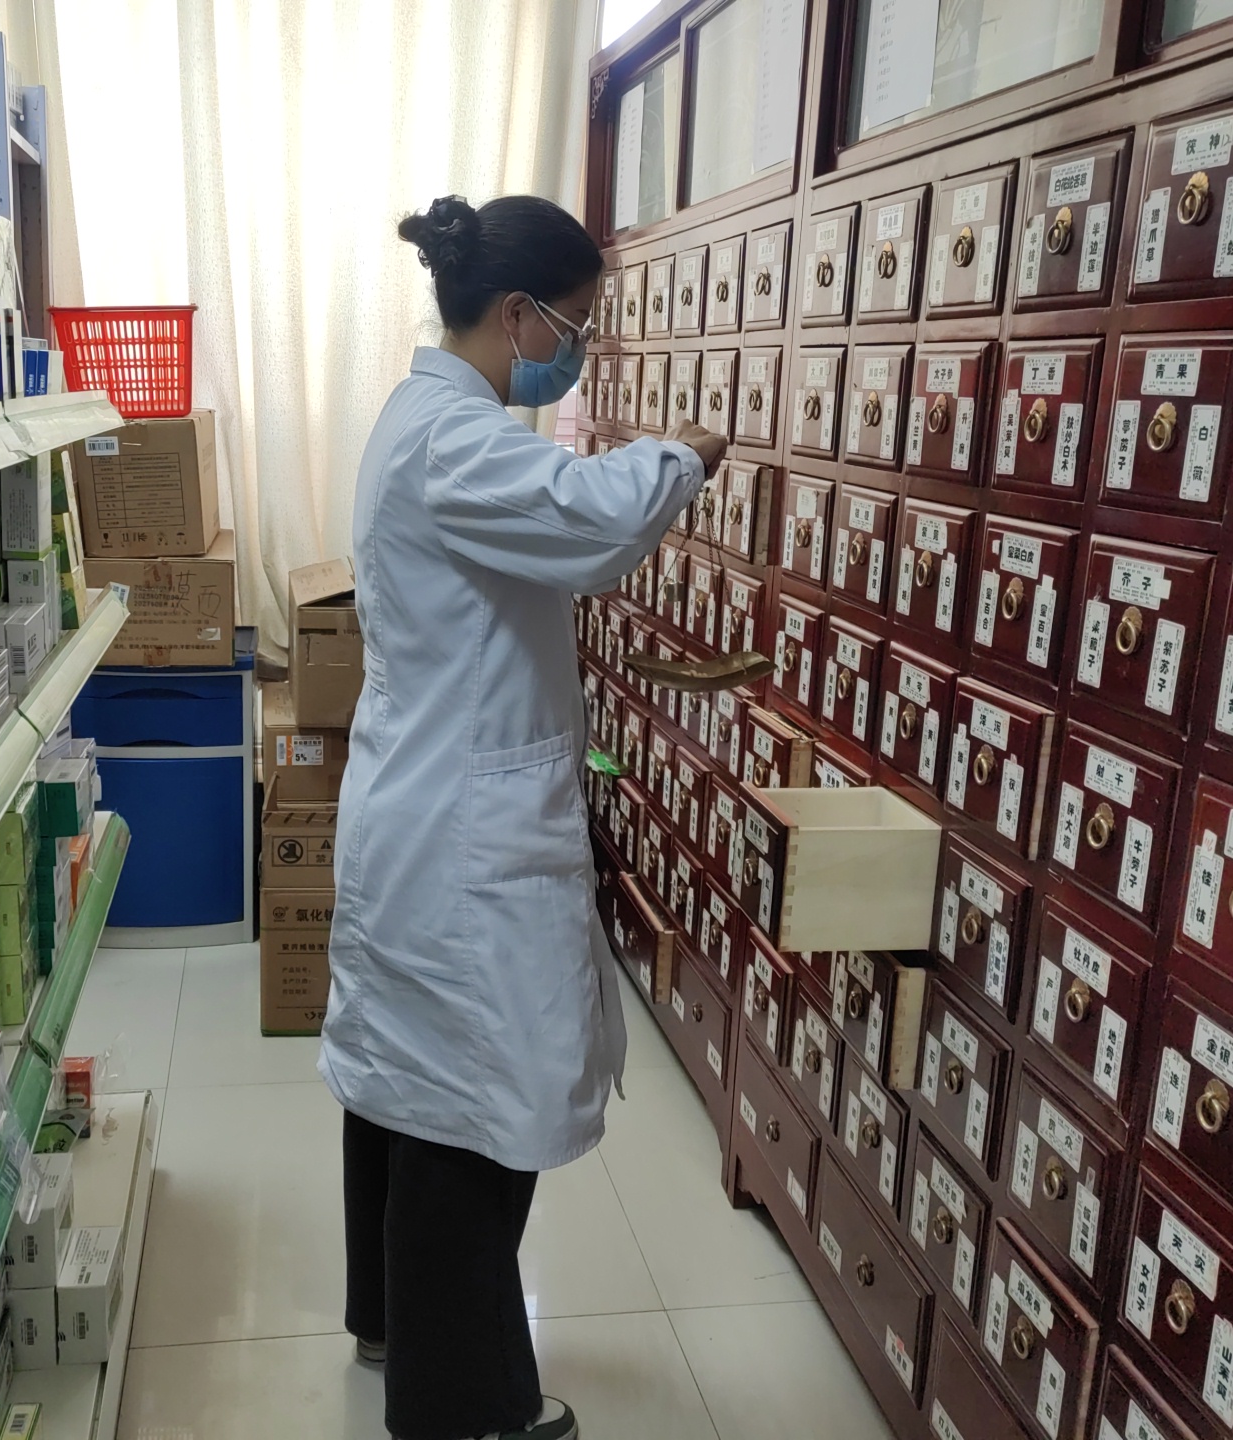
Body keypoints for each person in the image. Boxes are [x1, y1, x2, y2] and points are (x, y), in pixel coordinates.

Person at [316, 191, 727, 1440]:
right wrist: (684, 455)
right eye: (576, 325)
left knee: (405, 1085)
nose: (576, 350)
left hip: (425, 799)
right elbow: (592, 523)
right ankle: (470, 1410)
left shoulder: (425, 418)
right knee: (469, 1114)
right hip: (460, 832)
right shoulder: (457, 441)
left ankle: (393, 1321)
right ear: (516, 314)